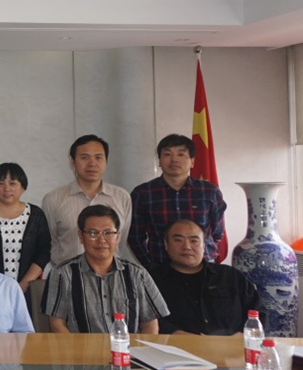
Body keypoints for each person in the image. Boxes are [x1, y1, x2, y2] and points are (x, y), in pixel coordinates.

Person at [44, 205, 169, 333]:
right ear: (81, 236)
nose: (101, 240)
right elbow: (56, 324)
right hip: (81, 346)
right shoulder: (62, 274)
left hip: (127, 346)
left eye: (108, 233)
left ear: (117, 236)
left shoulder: (137, 274)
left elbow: (150, 324)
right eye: (93, 233)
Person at [129, 134, 227, 269]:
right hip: (161, 267)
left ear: (192, 162)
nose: (174, 159)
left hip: (203, 266)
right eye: (167, 154)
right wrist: (149, 265)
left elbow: (217, 232)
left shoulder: (210, 191)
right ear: (159, 161)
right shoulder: (142, 193)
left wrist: (205, 255)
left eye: (181, 154)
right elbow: (135, 236)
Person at [149, 220, 260, 335]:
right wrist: (176, 334)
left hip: (232, 344)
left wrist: (242, 335)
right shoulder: (152, 280)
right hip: (177, 345)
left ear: (204, 245)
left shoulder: (230, 276)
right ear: (166, 244)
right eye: (178, 240)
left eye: (194, 241)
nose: (187, 247)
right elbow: (147, 319)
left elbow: (258, 312)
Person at [42, 135, 135, 267]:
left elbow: (120, 241)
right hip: (69, 275)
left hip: (110, 274)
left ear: (106, 161)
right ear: (73, 162)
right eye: (84, 157)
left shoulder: (122, 197)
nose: (92, 163)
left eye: (98, 157)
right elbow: (50, 243)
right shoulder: (53, 199)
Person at [0, 163, 51, 299]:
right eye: (0, 184)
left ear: (23, 187)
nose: (6, 189)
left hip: (28, 290)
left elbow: (44, 252)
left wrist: (23, 285)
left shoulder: (36, 214)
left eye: (13, 183)